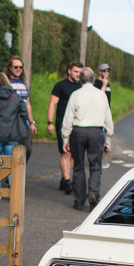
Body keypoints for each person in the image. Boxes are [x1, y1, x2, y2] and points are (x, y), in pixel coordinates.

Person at [61, 68, 114, 211]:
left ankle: (79, 202)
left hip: (78, 131)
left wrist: (65, 138)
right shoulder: (101, 95)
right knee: (95, 166)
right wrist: (108, 139)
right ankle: (93, 194)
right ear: (93, 78)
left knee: (78, 166)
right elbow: (108, 118)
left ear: (80, 79)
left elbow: (68, 118)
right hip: (96, 132)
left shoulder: (75, 94)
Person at [0, 72, 28, 186]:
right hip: (12, 134)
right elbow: (24, 113)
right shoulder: (16, 96)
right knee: (11, 164)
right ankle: (13, 191)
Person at [47, 61, 84, 194]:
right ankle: (68, 182)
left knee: (73, 153)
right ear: (69, 71)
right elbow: (52, 104)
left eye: (80, 72)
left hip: (77, 124)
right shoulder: (60, 86)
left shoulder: (82, 87)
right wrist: (50, 122)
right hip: (62, 124)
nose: (78, 74)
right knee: (65, 152)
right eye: (75, 71)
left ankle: (64, 178)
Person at [5, 56, 36, 161]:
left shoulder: (23, 83)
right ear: (10, 67)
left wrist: (32, 122)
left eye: (20, 67)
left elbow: (28, 104)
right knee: (11, 151)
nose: (18, 69)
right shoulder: (7, 82)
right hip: (11, 122)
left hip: (24, 123)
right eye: (15, 67)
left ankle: (19, 172)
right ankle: (9, 176)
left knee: (28, 149)